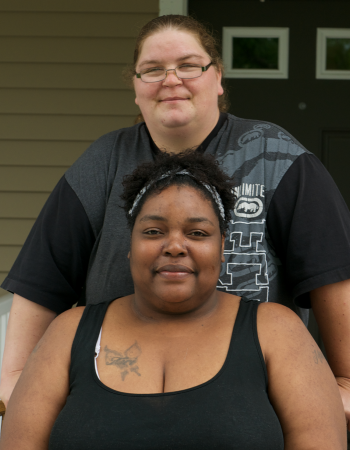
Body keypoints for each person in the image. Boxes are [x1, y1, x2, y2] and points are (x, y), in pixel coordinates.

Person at [1, 14, 350, 425]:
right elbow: (43, 279)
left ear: (217, 78)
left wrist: (343, 384)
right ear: (135, 87)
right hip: (116, 398)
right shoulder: (102, 164)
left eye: (188, 65)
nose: (171, 80)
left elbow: (334, 276)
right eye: (152, 70)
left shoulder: (280, 161)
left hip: (249, 411)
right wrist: (15, 379)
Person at [0, 152, 346, 449]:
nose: (175, 246)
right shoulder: (68, 334)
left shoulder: (277, 332)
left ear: (223, 247)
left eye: (197, 233)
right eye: (153, 231)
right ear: (129, 247)